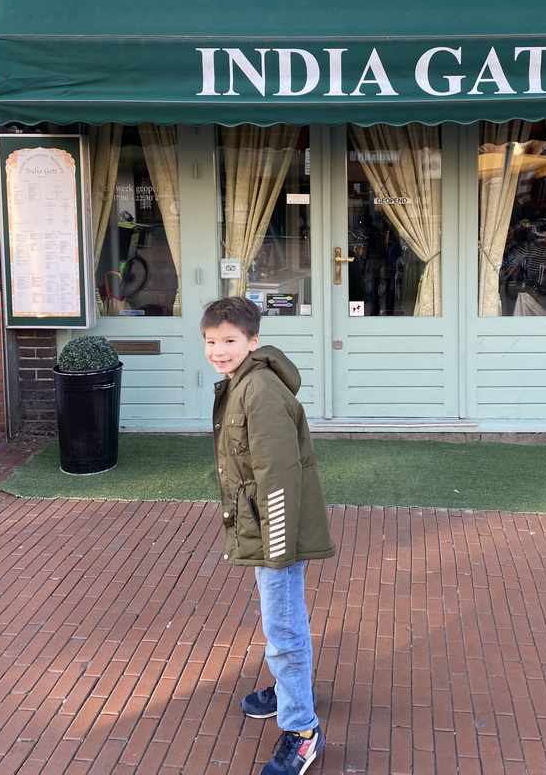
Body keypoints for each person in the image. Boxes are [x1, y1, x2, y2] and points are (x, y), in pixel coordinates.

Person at [201, 296, 335, 775]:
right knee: (279, 618)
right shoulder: (240, 383)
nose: (219, 350)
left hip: (276, 530)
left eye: (230, 341)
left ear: (253, 342)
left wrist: (276, 546)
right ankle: (286, 692)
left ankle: (302, 729)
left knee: (282, 626)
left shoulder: (258, 392)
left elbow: (278, 476)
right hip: (262, 525)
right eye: (211, 342)